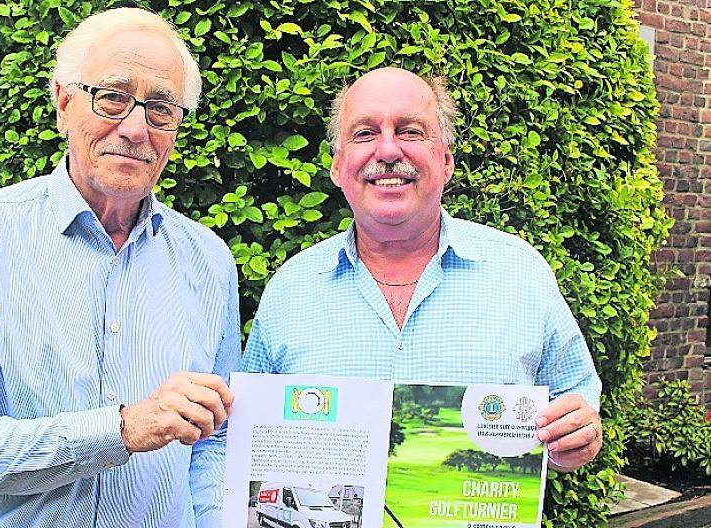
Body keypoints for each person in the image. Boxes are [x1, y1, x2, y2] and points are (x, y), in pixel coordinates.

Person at [0, 8, 240, 527]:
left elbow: (213, 443)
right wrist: (119, 431)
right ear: (64, 105)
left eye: (161, 108)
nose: (135, 128)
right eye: (112, 97)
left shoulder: (208, 260)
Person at [240, 67, 602, 472]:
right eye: (365, 133)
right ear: (338, 167)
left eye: (410, 131)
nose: (389, 151)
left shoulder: (520, 274)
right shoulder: (291, 289)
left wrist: (576, 437)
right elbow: (246, 436)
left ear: (445, 161)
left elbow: (575, 398)